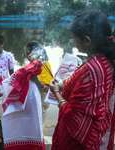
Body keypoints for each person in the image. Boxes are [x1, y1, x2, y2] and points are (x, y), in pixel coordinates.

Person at [49, 10, 115, 150]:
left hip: (78, 143)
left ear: (87, 41)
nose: (73, 41)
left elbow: (73, 116)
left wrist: (56, 93)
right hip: (101, 135)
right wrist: (67, 84)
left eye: (74, 37)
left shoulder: (91, 71)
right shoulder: (106, 60)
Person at [25, 41, 53, 131]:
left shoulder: (44, 66)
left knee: (39, 125)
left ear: (35, 52)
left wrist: (37, 82)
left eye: (28, 53)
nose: (27, 56)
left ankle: (39, 143)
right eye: (26, 53)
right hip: (34, 101)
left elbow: (49, 89)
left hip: (41, 102)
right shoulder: (32, 65)